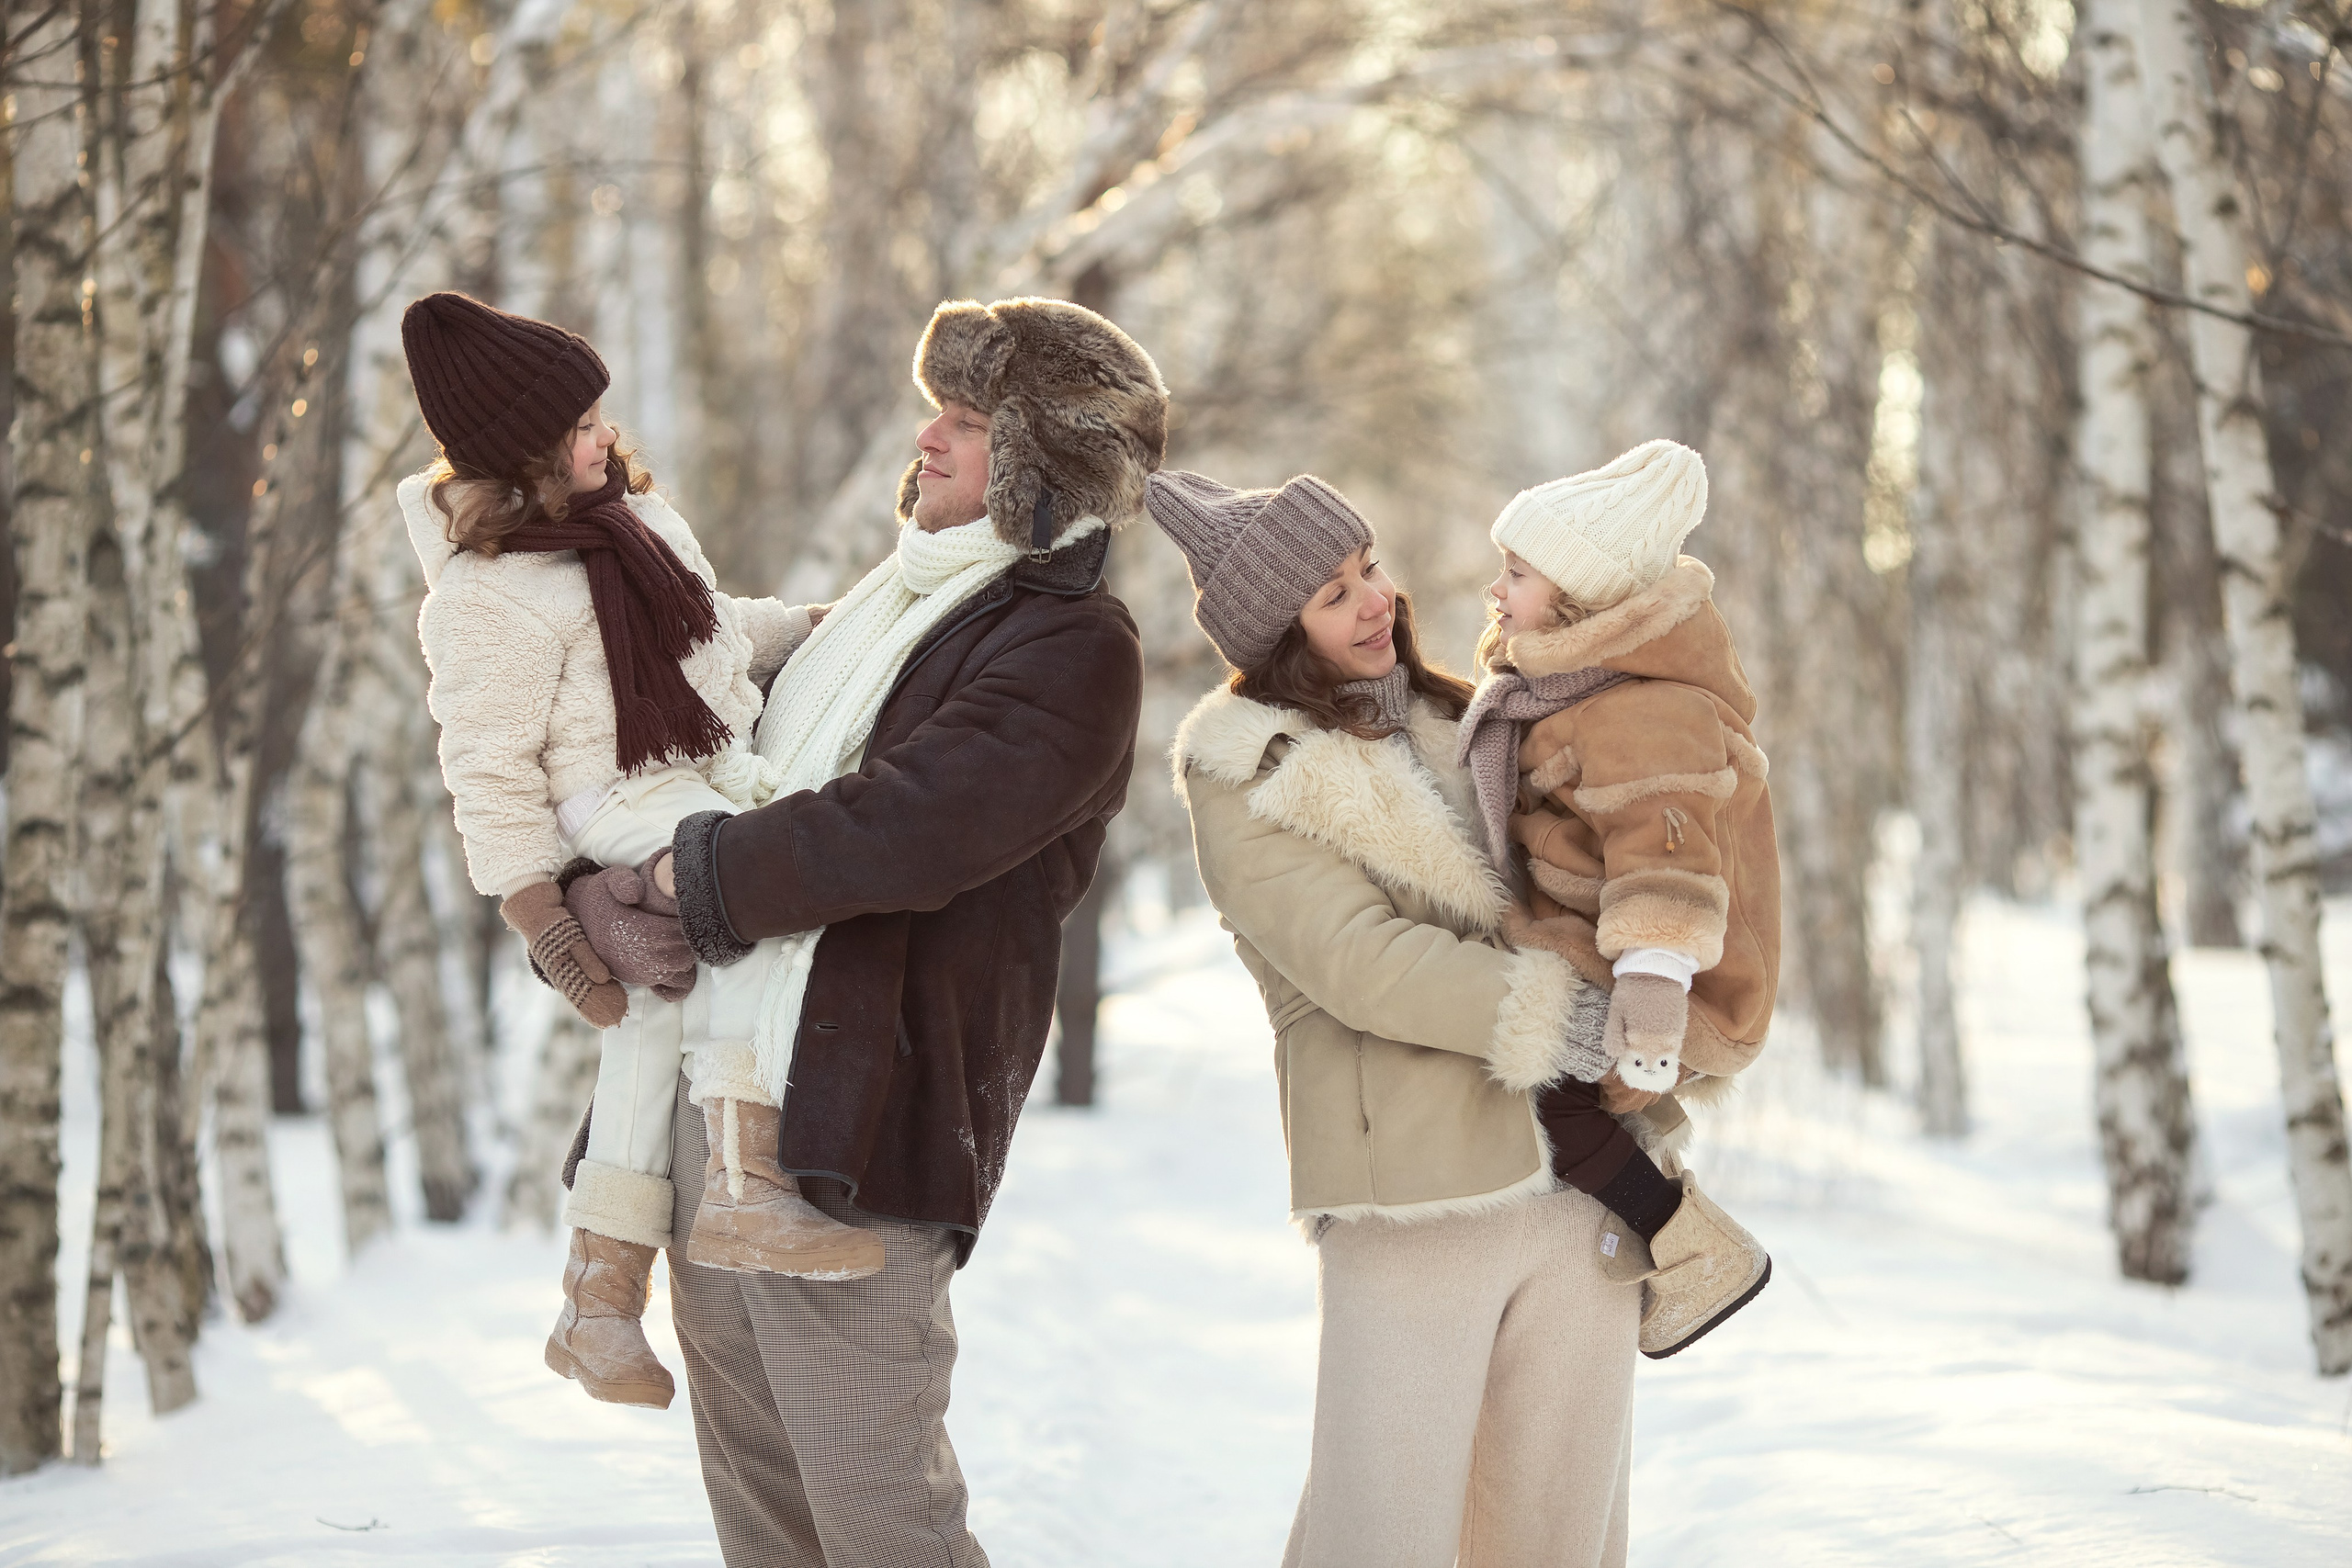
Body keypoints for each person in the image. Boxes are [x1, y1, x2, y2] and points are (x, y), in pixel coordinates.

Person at [564, 296, 1162, 1568]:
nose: (927, 437)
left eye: (967, 419)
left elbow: (907, 826)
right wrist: (601, 883)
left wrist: (690, 876)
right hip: (710, 1097)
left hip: (858, 1118)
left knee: (877, 1512)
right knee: (766, 1512)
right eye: (932, 410)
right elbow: (709, 767)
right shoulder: (875, 614)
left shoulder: (1070, 644)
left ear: (1043, 464)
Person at [397, 292, 876, 1420]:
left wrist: (811, 628)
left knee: (659, 1009)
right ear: (521, 463)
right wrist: (540, 916)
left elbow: (702, 631)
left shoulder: (640, 526)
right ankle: (748, 1182)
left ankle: (600, 1296)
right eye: (578, 429)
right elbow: (489, 767)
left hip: (702, 772)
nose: (604, 438)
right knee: (762, 900)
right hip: (615, 798)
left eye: (600, 417)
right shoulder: (489, 596)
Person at [1149, 468, 1638, 1567]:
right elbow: (1359, 964)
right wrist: (1564, 1017)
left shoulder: (1472, 715)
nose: (1375, 600)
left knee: (1556, 1527)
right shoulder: (1246, 772)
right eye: (1333, 594)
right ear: (1278, 636)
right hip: (1412, 1197)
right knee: (1381, 1529)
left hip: (1581, 1176)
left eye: (1367, 568)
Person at [1460, 437, 1775, 1359]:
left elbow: (1665, 858)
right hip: (1595, 938)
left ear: (1575, 596)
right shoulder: (1572, 683)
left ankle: (1695, 1250)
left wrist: (1648, 1000)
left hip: (1666, 976)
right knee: (1546, 1090)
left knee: (1552, 1103)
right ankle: (1649, 1180)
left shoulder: (1643, 709)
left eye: (1514, 572)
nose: (1495, 589)